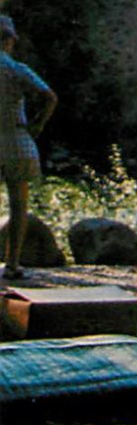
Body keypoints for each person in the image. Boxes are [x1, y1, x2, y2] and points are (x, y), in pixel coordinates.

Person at [0, 15, 57, 281]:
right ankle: (13, 264)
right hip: (17, 136)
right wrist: (38, 125)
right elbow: (49, 96)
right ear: (9, 40)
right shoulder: (17, 68)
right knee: (18, 204)